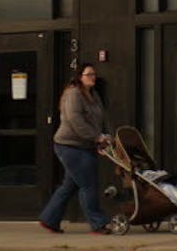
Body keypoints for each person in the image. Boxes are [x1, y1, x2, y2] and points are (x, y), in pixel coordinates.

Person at [38, 63, 112, 234]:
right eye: (89, 74)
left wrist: (105, 138)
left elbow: (101, 118)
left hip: (85, 146)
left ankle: (49, 219)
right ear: (80, 77)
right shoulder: (73, 94)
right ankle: (98, 224)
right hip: (69, 146)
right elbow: (75, 121)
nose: (93, 77)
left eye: (94, 74)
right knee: (88, 184)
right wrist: (96, 137)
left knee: (69, 185)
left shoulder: (93, 95)